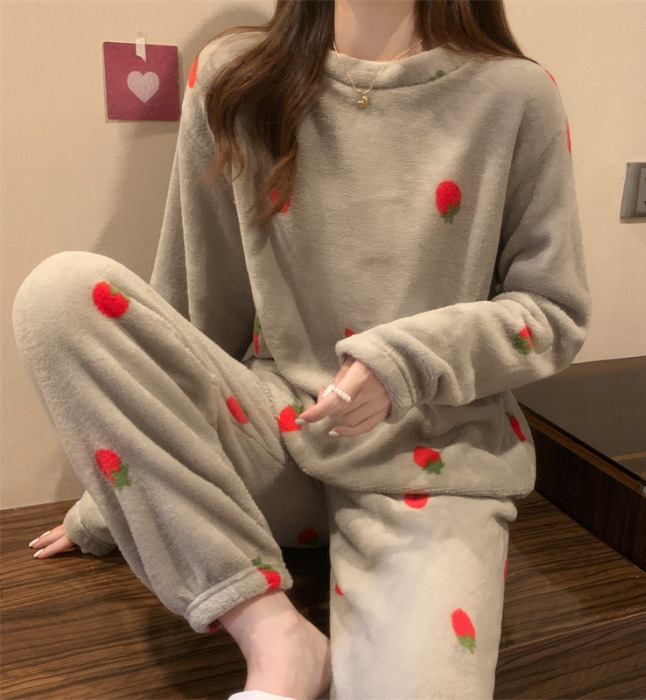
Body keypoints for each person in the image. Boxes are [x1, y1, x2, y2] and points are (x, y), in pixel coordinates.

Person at [13, 0, 590, 698]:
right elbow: (194, 316)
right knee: (60, 294)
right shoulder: (233, 77)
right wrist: (111, 503)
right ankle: (276, 639)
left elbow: (552, 313)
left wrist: (406, 361)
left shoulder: (516, 95)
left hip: (433, 462)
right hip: (274, 445)